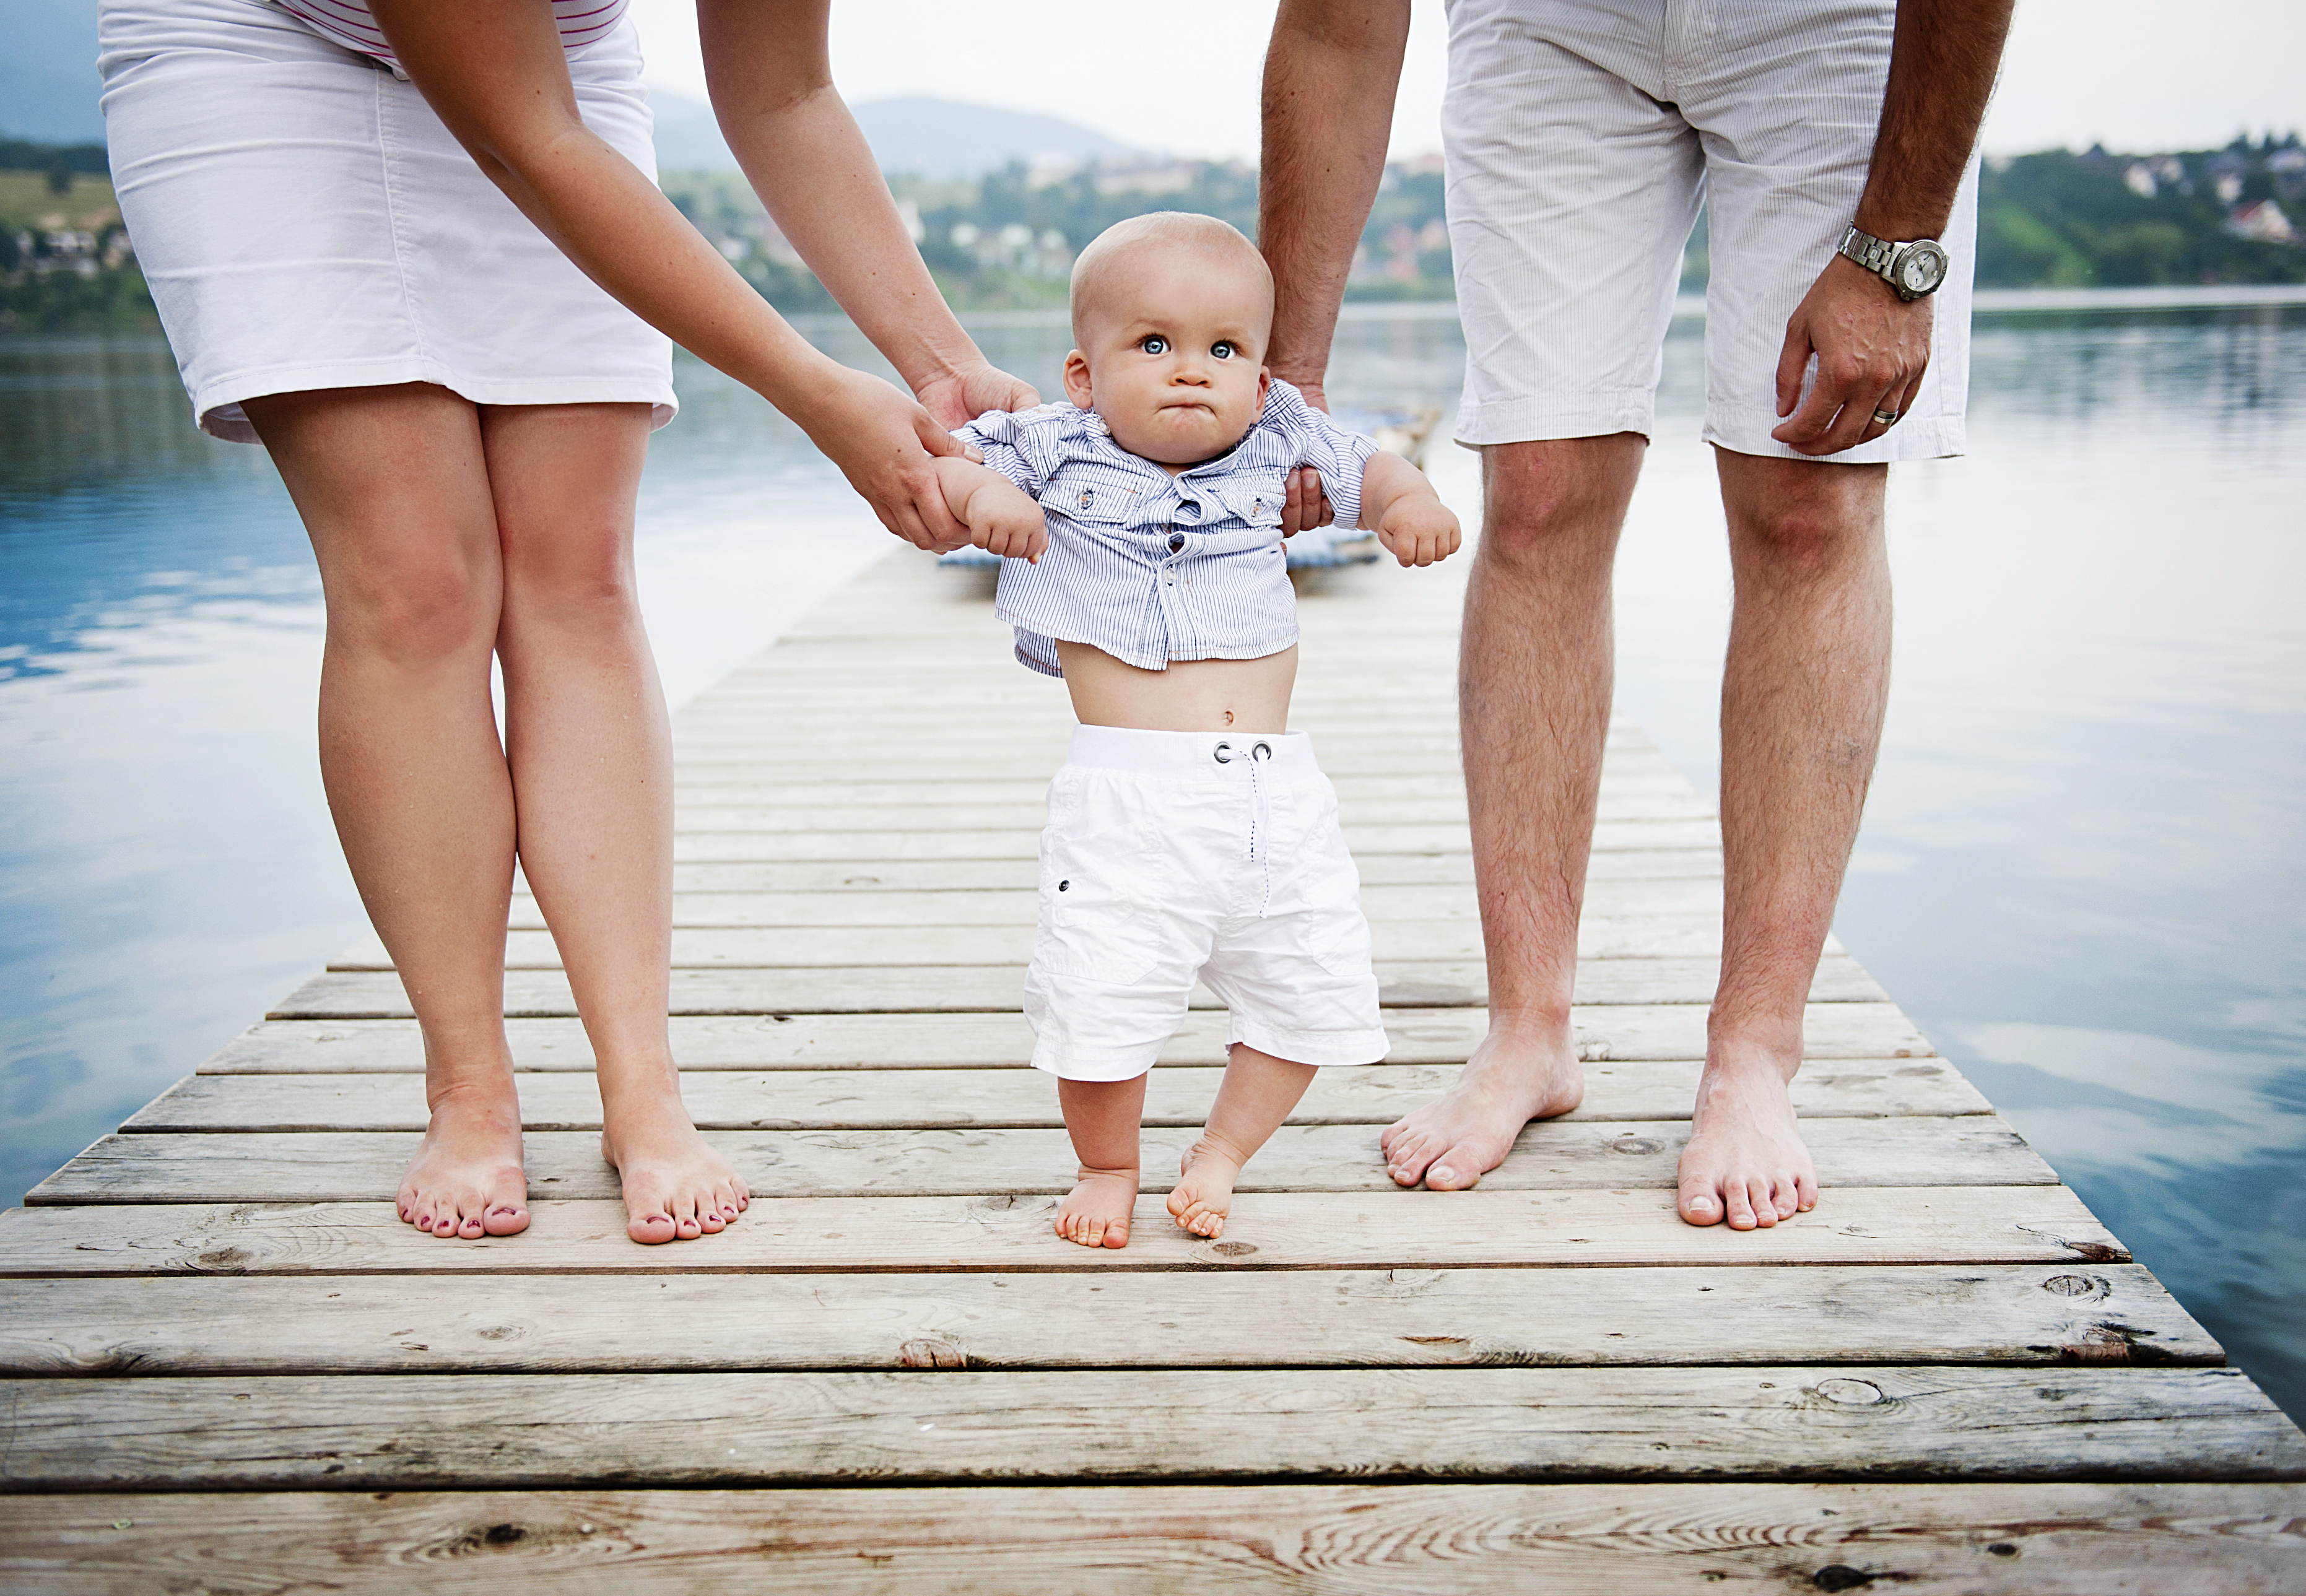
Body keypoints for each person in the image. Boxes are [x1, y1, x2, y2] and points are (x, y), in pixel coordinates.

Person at [98, 0, 1034, 1244]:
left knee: (581, 573)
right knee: (416, 580)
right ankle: (468, 1083)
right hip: (264, 55)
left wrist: (938, 369)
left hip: (557, 78)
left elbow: (781, 95)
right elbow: (522, 140)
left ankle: (641, 1087)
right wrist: (816, 395)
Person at [1260, 0, 2015, 1228]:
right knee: (1539, 496)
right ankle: (1527, 1033)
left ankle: (1755, 1046)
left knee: (1806, 505)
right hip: (1551, 24)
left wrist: (1895, 248)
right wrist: (1290, 375)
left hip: (1834, 22)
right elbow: (1338, 26)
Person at [928, 214, 1460, 1247]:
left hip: (1275, 800)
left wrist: (1411, 500)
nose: (1190, 371)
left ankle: (1220, 1151)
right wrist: (981, 494)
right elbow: (942, 463)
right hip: (1128, 798)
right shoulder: (1050, 444)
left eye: (1224, 350)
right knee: (1100, 1003)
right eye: (1155, 344)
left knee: (1309, 992)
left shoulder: (1282, 438)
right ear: (1083, 374)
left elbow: (1375, 469)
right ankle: (1108, 1163)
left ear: (1262, 382)